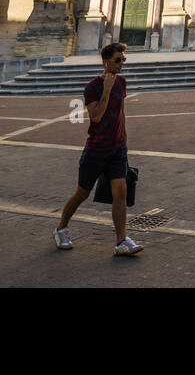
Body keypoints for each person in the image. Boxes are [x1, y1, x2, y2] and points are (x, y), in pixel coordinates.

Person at [54, 42, 144, 256]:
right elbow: (96, 116)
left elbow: (121, 112)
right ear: (106, 62)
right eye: (118, 60)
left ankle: (121, 241)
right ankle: (61, 229)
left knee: (120, 193)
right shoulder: (92, 87)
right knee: (82, 193)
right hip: (96, 149)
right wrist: (106, 89)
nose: (121, 64)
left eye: (123, 60)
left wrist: (125, 140)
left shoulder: (122, 83)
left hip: (116, 149)